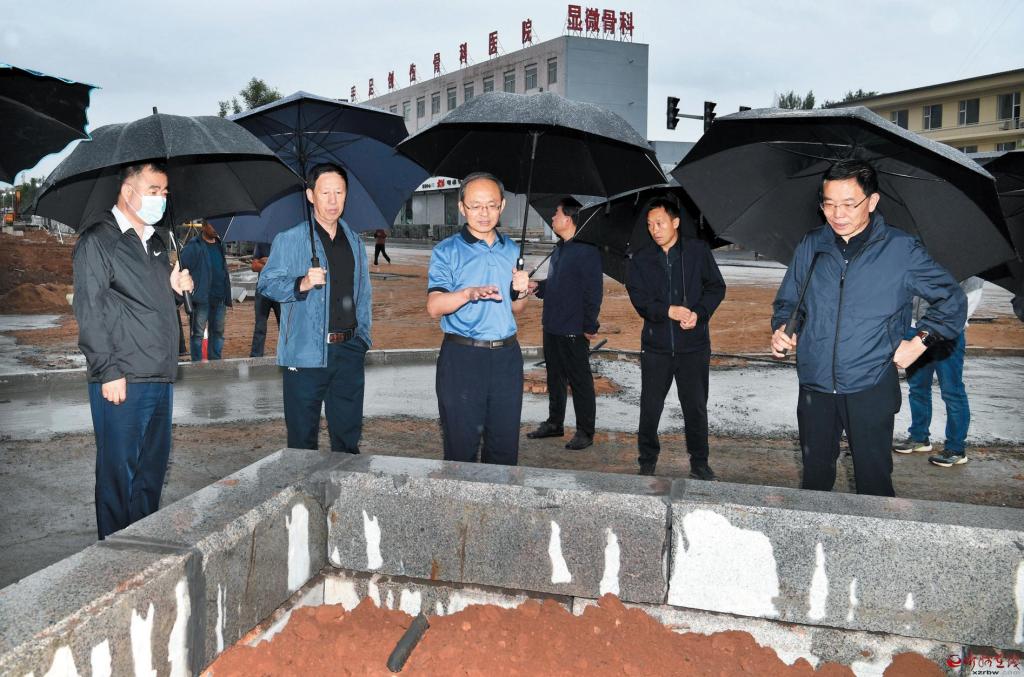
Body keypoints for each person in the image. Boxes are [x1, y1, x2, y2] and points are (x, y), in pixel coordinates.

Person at [771, 159, 966, 497]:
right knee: (814, 481)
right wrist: (783, 328)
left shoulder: (901, 249)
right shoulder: (812, 244)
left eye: (849, 204)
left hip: (871, 383)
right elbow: (790, 301)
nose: (837, 214)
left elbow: (952, 299)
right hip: (815, 382)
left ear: (872, 201)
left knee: (873, 482)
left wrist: (919, 341)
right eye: (829, 204)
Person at [72, 162, 193, 540]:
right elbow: (89, 310)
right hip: (122, 378)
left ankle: (142, 548)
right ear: (128, 191)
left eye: (164, 192)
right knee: (118, 476)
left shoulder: (156, 244)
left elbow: (146, 303)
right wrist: (107, 370)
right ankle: (113, 555)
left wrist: (175, 291)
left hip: (159, 374)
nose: (161, 198)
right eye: (154, 190)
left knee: (150, 475)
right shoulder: (98, 240)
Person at [257, 163, 372, 453]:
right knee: (302, 441)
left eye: (339, 192)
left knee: (348, 439)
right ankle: (303, 484)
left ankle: (343, 481)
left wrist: (362, 340)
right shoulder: (290, 239)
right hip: (305, 353)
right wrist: (302, 283)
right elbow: (266, 284)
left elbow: (363, 294)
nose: (333, 200)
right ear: (310, 195)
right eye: (325, 193)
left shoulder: (355, 242)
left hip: (349, 352)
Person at [427, 172, 531, 465]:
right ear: (462, 208)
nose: (484, 213)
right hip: (463, 358)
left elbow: (516, 309)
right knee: (461, 448)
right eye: (475, 206)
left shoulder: (512, 250)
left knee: (504, 448)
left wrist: (522, 291)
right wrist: (467, 293)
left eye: (491, 205)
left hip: (507, 358)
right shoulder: (447, 251)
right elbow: (434, 306)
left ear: (502, 206)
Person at [626, 197, 726, 479]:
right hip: (655, 347)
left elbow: (716, 287)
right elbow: (639, 298)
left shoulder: (697, 251)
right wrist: (666, 311)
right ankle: (647, 459)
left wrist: (699, 313)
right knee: (650, 407)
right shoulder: (641, 258)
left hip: (693, 347)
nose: (654, 230)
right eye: (650, 225)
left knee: (695, 407)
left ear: (676, 222)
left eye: (659, 223)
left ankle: (699, 462)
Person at [527, 197, 603, 450]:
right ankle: (554, 423)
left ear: (568, 219)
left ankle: (585, 431)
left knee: (580, 381)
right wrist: (538, 286)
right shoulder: (559, 249)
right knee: (554, 377)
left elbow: (593, 292)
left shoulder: (587, 251)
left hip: (573, 329)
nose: (552, 218)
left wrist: (589, 326)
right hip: (552, 325)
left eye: (556, 214)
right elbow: (558, 285)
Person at [894, 277, 984, 467]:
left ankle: (956, 449)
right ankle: (919, 437)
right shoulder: (922, 260)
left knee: (952, 392)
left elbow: (971, 296)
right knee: (917, 388)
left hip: (947, 333)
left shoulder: (969, 265)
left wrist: (951, 325)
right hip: (915, 329)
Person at [179, 220, 232, 361]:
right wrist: (192, 289)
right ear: (203, 226)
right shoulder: (193, 246)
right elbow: (182, 267)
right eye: (212, 225)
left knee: (218, 333)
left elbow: (223, 269)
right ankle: (197, 365)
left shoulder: (220, 245)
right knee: (197, 334)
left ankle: (215, 362)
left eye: (217, 225)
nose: (215, 229)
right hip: (202, 299)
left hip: (219, 298)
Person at [249, 240, 280, 357]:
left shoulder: (286, 242)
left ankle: (286, 355)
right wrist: (275, 265)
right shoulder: (261, 243)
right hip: (263, 291)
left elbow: (289, 265)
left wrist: (267, 262)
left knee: (284, 326)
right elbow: (254, 266)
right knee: (260, 326)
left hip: (281, 290)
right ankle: (256, 357)